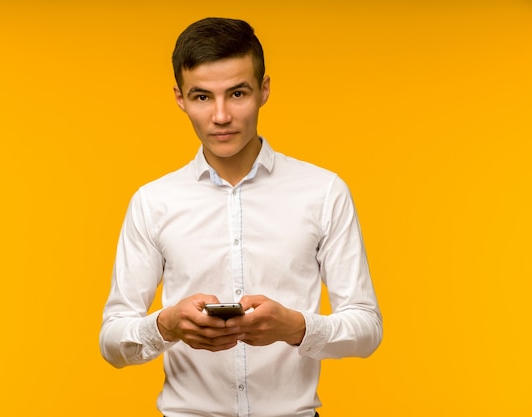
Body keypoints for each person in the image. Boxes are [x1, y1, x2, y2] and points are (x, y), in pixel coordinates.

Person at [100, 17, 382, 417]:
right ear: (179, 98)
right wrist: (165, 326)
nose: (220, 116)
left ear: (264, 90)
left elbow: (366, 327)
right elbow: (112, 340)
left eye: (236, 93)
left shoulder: (324, 191)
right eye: (202, 97)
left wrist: (296, 327)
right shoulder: (153, 201)